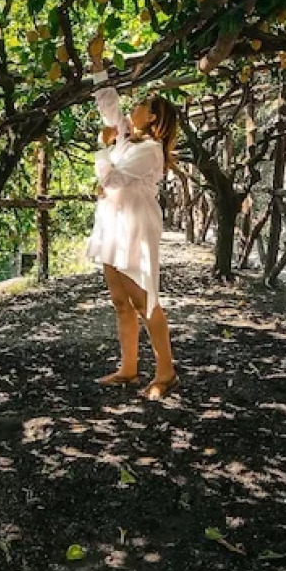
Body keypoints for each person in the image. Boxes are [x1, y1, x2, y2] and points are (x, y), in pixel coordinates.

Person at [85, 71, 179, 399]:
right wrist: (97, 64)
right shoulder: (130, 139)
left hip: (134, 226)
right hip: (113, 222)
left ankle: (166, 373)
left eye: (140, 106)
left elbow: (112, 181)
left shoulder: (151, 148)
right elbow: (110, 107)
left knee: (143, 300)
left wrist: (103, 145)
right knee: (120, 302)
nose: (132, 109)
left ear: (152, 117)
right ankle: (128, 368)